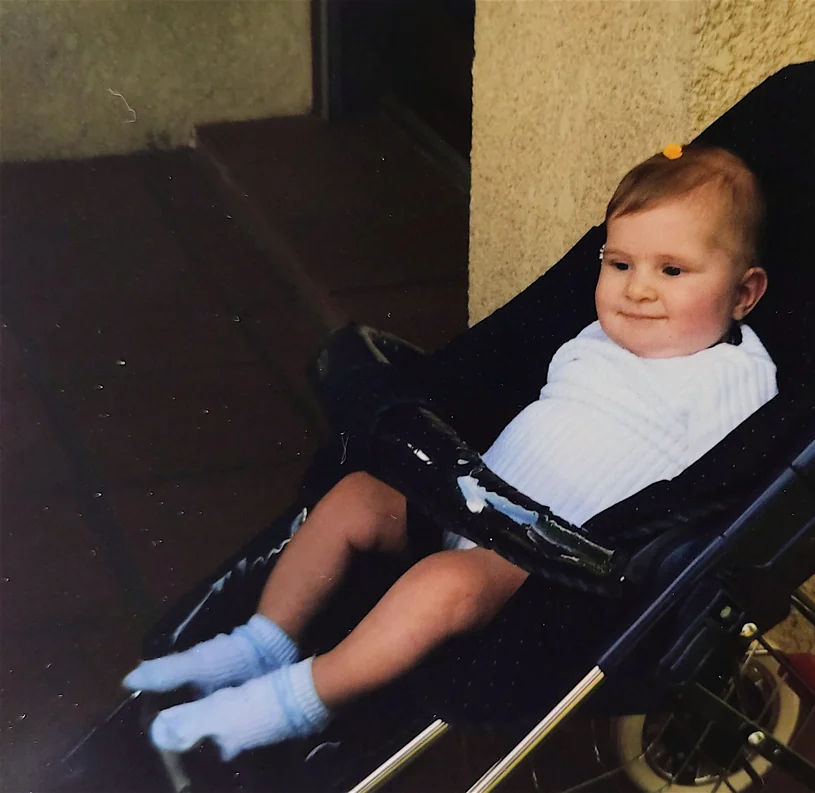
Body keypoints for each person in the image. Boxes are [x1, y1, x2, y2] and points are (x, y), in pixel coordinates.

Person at [123, 143, 779, 760]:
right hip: (470, 504)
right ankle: (264, 640)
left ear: (744, 294)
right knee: (356, 498)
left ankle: (302, 698)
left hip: (549, 571)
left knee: (445, 585)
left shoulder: (735, 378)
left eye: (672, 270)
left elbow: (742, 475)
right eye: (619, 264)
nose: (637, 290)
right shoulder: (595, 337)